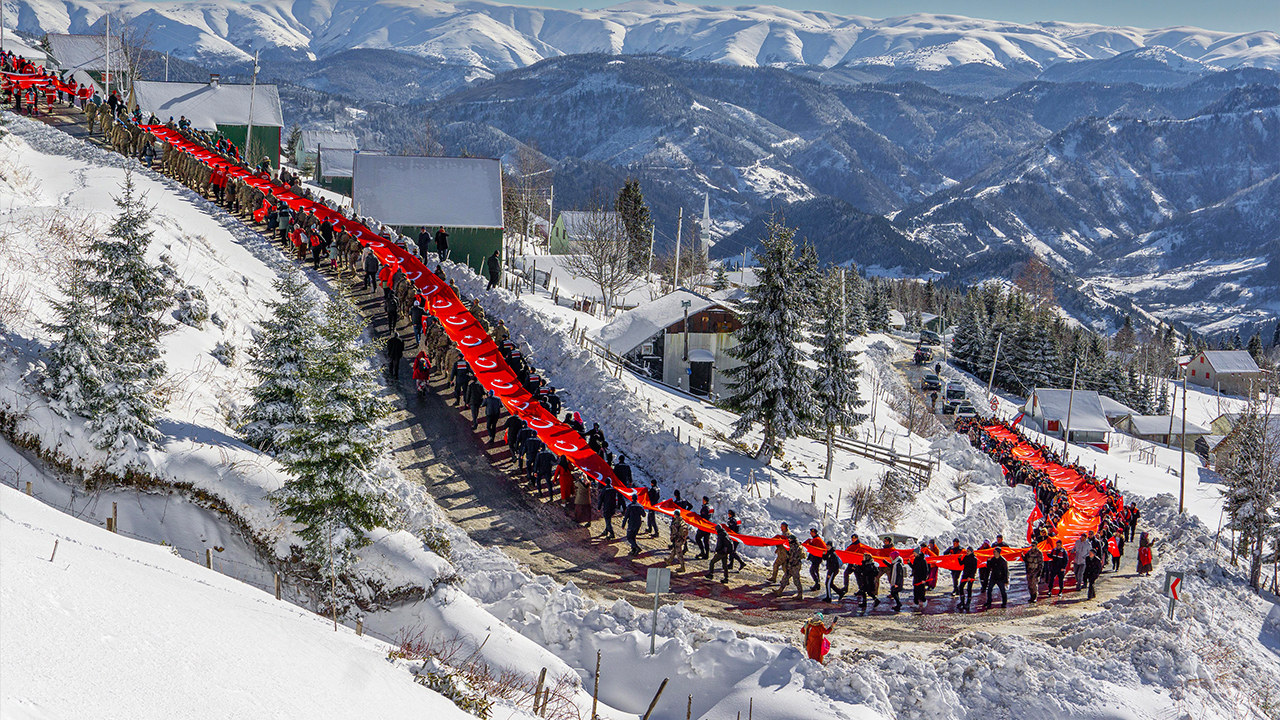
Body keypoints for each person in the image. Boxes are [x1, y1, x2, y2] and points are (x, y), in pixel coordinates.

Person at [773, 535, 804, 599]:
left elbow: (793, 557)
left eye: (789, 539)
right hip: (792, 565)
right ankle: (780, 591)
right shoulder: (795, 545)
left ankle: (800, 594)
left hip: (794, 566)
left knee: (796, 580)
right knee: (785, 578)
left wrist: (790, 565)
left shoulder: (795, 547)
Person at [958, 547, 978, 611]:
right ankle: (962, 601)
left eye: (969, 551)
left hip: (970, 576)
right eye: (967, 551)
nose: (967, 552)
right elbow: (961, 563)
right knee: (961, 587)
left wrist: (971, 576)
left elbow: (974, 569)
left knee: (969, 588)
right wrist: (959, 558)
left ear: (971, 551)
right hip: (965, 574)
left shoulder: (974, 559)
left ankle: (968, 603)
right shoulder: (966, 557)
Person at [911, 544, 930, 609]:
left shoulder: (923, 560)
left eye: (914, 553)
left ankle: (924, 601)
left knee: (920, 591)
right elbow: (914, 568)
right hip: (916, 577)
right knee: (915, 591)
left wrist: (924, 579)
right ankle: (916, 603)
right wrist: (909, 564)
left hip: (921, 578)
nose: (914, 554)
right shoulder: (916, 559)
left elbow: (925, 570)